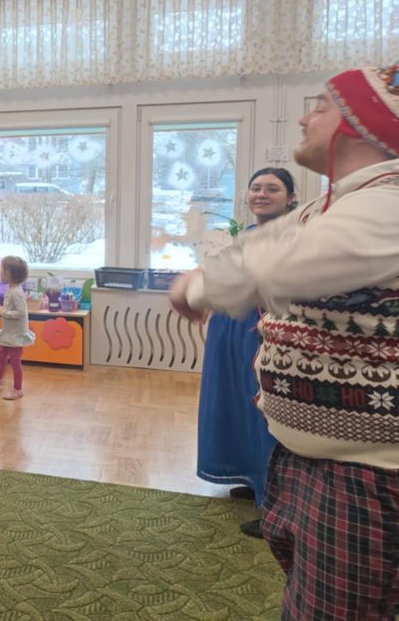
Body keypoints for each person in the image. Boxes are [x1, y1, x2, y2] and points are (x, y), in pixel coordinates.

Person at [169, 64, 399, 621]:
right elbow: (262, 246)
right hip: (317, 459)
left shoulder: (387, 203)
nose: (303, 118)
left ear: (362, 125)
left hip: (365, 475)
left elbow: (278, 263)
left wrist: (197, 286)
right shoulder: (338, 203)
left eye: (320, 106)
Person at [196, 167, 296, 538]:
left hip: (261, 332)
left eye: (273, 188)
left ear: (290, 197)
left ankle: (276, 504)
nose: (262, 194)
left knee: (265, 412)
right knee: (237, 404)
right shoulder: (248, 234)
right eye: (256, 188)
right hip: (230, 331)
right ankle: (254, 478)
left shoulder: (293, 236)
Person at [0, 256, 34, 400]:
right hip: (9, 331)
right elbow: (11, 308)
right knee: (2, 355)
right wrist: (1, 308)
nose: (0, 272)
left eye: (2, 269)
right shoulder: (11, 289)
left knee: (15, 362)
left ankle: (18, 389)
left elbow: (21, 313)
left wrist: (3, 312)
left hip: (16, 334)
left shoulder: (16, 292)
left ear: (9, 274)